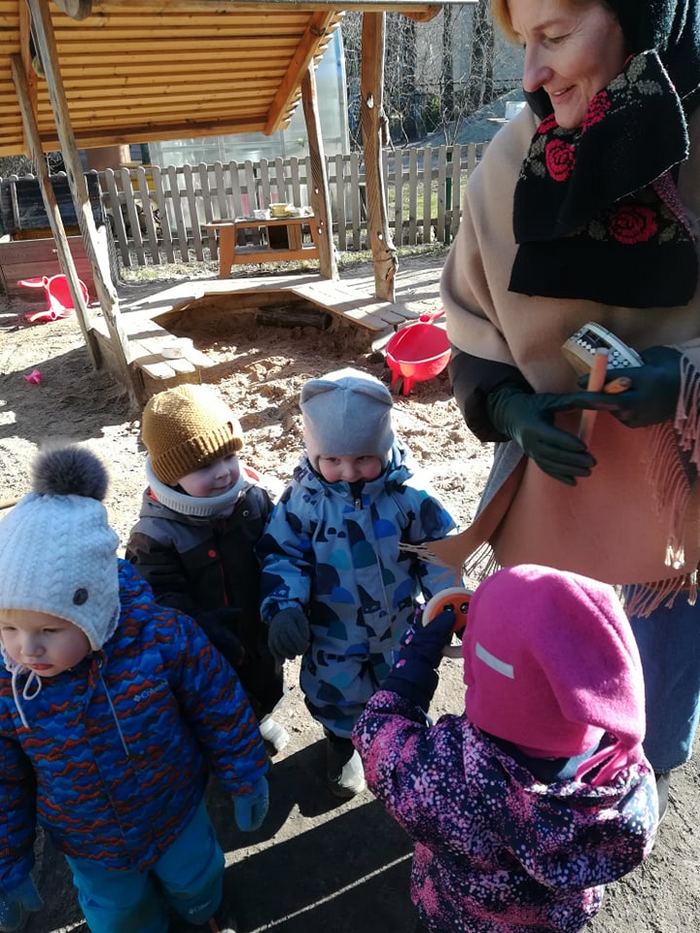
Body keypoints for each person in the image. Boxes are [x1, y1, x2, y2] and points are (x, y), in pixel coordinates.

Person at [439, 0, 700, 815]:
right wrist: (510, 406)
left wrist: (687, 379)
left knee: (664, 657)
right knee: (549, 657)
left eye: (554, 37)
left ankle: (645, 777)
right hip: (555, 488)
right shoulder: (514, 158)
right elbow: (472, 320)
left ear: (641, 16)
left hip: (680, 509)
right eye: (524, 41)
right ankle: (552, 782)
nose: (532, 73)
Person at [0, 446, 269, 933]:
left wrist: (246, 773)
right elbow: (4, 779)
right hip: (91, 841)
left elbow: (219, 706)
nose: (27, 648)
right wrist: (8, 862)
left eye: (49, 629)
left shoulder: (161, 638)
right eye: (8, 628)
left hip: (176, 809)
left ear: (96, 607)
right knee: (117, 912)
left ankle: (204, 911)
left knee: (197, 877)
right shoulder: (9, 688)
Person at [353, 564, 658, 933]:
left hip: (458, 916)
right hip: (553, 922)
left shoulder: (445, 774)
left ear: (487, 671)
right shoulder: (627, 774)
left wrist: (412, 665)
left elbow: (378, 739)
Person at [257, 367, 460, 797]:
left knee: (404, 691)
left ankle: (402, 748)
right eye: (332, 460)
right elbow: (283, 554)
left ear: (383, 446)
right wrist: (284, 606)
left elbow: (438, 550)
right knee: (333, 694)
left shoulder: (409, 496)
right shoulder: (303, 501)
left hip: (399, 631)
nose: (348, 472)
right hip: (332, 635)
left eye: (364, 458)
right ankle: (342, 743)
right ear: (314, 452)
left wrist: (448, 602)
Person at [126, 383, 288, 756]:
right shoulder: (155, 535)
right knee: (215, 703)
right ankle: (230, 747)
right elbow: (157, 597)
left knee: (266, 679)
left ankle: (260, 717)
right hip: (206, 646)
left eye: (229, 456)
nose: (223, 473)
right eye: (203, 466)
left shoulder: (252, 498)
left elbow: (281, 548)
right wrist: (200, 628)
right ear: (171, 476)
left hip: (258, 627)